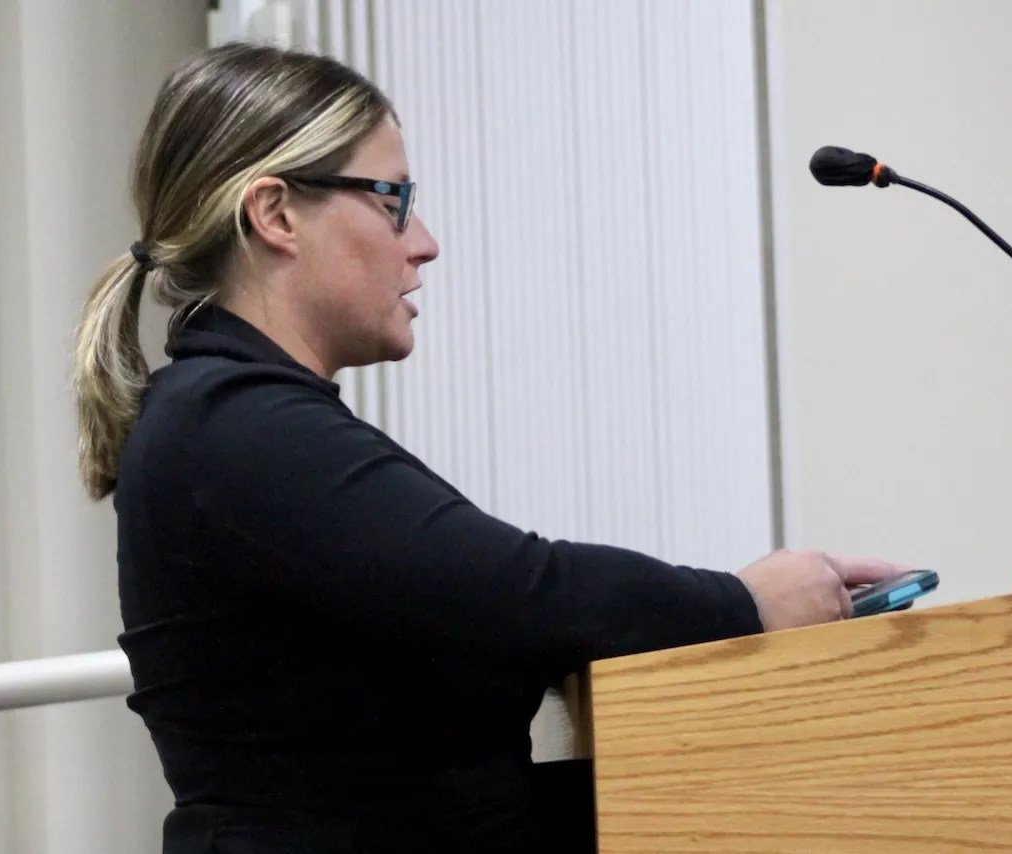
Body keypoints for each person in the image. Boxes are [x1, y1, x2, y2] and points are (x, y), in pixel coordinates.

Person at [71, 42, 909, 853]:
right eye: (393, 201)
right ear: (276, 213)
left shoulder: (233, 419)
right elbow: (519, 592)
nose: (424, 241)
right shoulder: (237, 428)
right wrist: (744, 604)